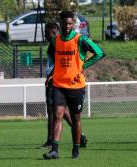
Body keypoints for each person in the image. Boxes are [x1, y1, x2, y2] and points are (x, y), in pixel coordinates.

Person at [43, 11, 104, 159]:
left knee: (76, 118)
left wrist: (83, 65)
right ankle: (55, 150)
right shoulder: (55, 40)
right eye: (65, 23)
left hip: (76, 86)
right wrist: (54, 72)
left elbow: (99, 53)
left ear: (73, 23)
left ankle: (76, 149)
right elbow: (50, 54)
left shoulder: (80, 39)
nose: (67, 26)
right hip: (59, 84)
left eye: (70, 23)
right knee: (57, 115)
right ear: (61, 23)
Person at [41, 22, 87, 149]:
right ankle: (79, 135)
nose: (46, 36)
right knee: (57, 111)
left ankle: (52, 140)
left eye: (48, 33)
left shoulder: (62, 43)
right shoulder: (54, 44)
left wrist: (50, 75)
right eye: (45, 33)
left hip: (58, 81)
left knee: (54, 111)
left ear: (55, 32)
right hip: (54, 79)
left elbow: (61, 64)